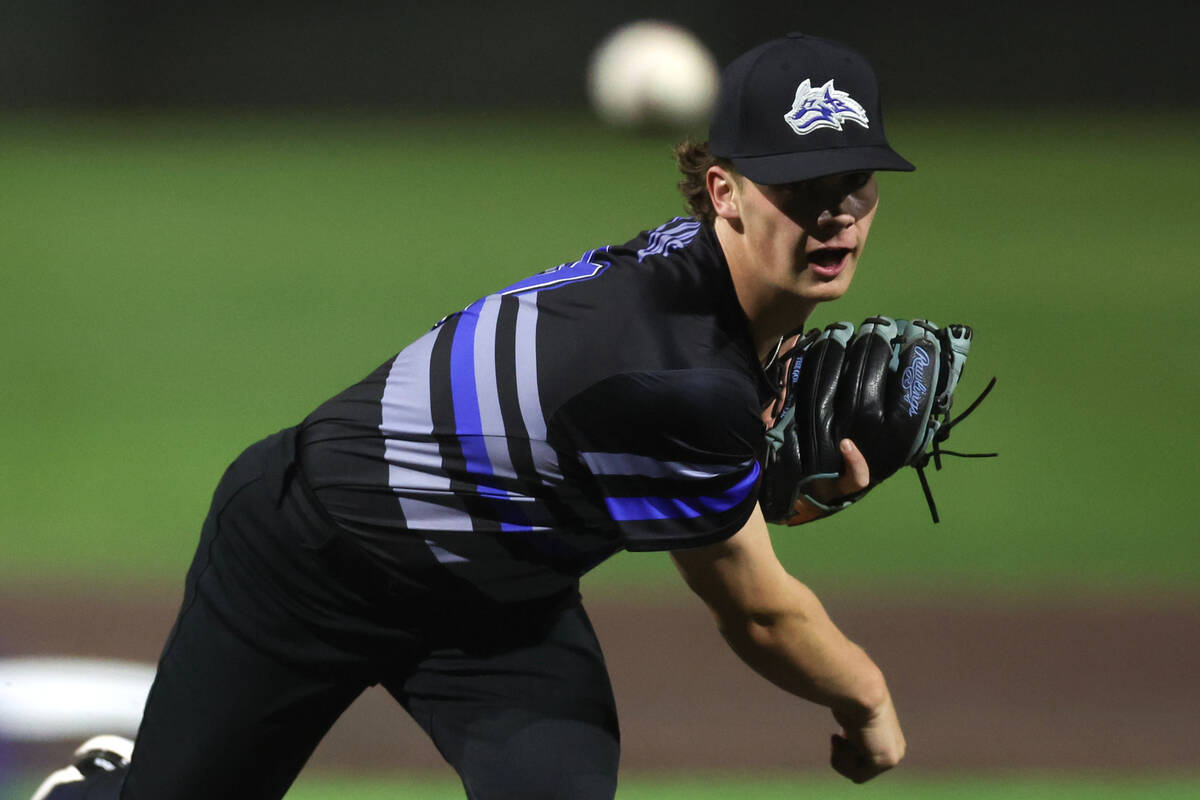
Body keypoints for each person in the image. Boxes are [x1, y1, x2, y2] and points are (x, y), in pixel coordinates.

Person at [34, 31, 915, 800]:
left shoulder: (693, 271)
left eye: (855, 182)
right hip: (307, 557)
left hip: (497, 608)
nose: (835, 212)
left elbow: (672, 451)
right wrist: (865, 699)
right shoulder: (682, 381)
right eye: (801, 186)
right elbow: (758, 611)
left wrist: (751, 469)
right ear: (724, 192)